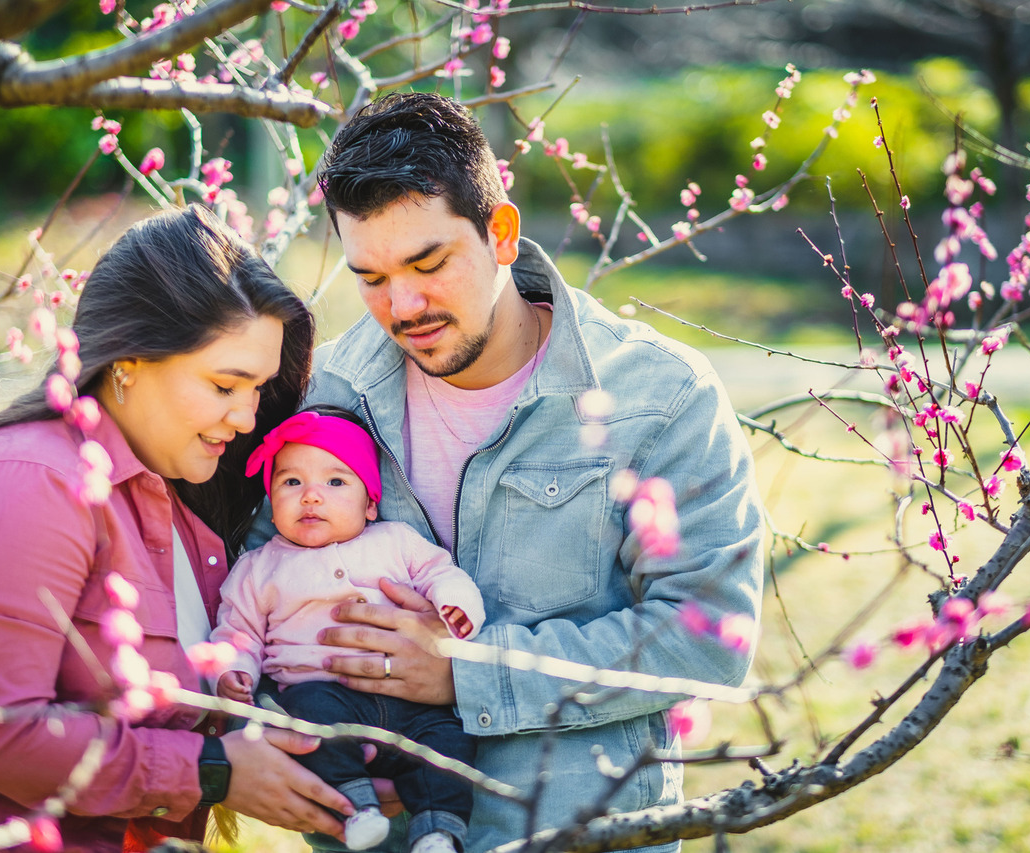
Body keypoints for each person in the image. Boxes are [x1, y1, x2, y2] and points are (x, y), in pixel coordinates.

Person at [246, 92, 766, 853]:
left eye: (429, 263)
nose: (404, 304)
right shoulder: (323, 396)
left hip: (579, 832)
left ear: (502, 233)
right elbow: (250, 602)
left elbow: (710, 637)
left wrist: (471, 674)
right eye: (372, 276)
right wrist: (308, 740)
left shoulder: (661, 397)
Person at [0, 205, 372, 852]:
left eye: (259, 390)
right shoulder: (30, 479)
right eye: (225, 385)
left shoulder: (180, 516)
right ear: (128, 363)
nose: (249, 418)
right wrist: (211, 771)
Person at [211, 404, 485, 853]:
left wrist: (456, 609)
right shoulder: (259, 568)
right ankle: (359, 809)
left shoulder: (395, 541)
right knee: (305, 721)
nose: (311, 496)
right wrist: (233, 671)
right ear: (271, 503)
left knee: (449, 741)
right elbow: (237, 630)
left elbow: (444, 574)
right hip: (321, 694)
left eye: (335, 482)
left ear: (371, 503)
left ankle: (438, 831)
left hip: (413, 703)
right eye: (291, 481)